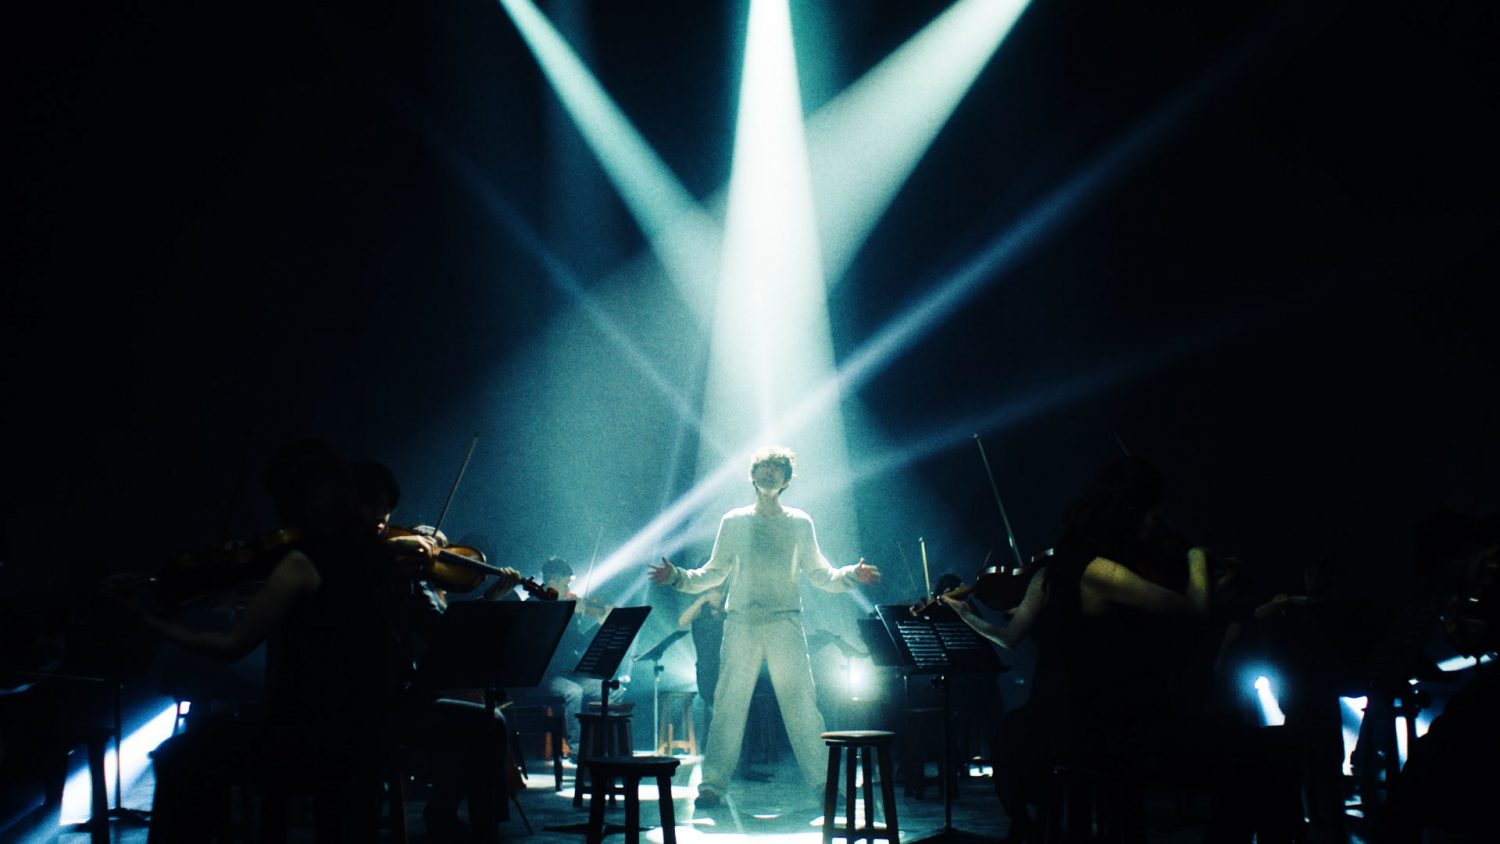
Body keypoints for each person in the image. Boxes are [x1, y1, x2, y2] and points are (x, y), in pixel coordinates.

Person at [143, 438, 408, 842]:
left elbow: (231, 646)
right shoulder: (381, 560)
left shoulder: (302, 561)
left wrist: (152, 622)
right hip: (370, 733)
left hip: (314, 742)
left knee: (180, 756)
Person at [648, 445, 880, 808]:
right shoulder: (734, 521)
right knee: (728, 703)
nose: (769, 472)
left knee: (802, 705)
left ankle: (824, 784)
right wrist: (677, 576)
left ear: (786, 480)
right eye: (764, 467)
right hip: (741, 623)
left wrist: (851, 574)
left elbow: (821, 574)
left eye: (777, 468)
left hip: (785, 622)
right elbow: (713, 573)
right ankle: (712, 785)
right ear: (753, 476)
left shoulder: (800, 523)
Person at [677, 586, 726, 735]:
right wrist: (702, 600)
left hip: (726, 666)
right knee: (711, 701)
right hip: (706, 667)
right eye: (712, 593)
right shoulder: (700, 611)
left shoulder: (727, 612)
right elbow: (682, 621)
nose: (716, 597)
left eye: (718, 593)